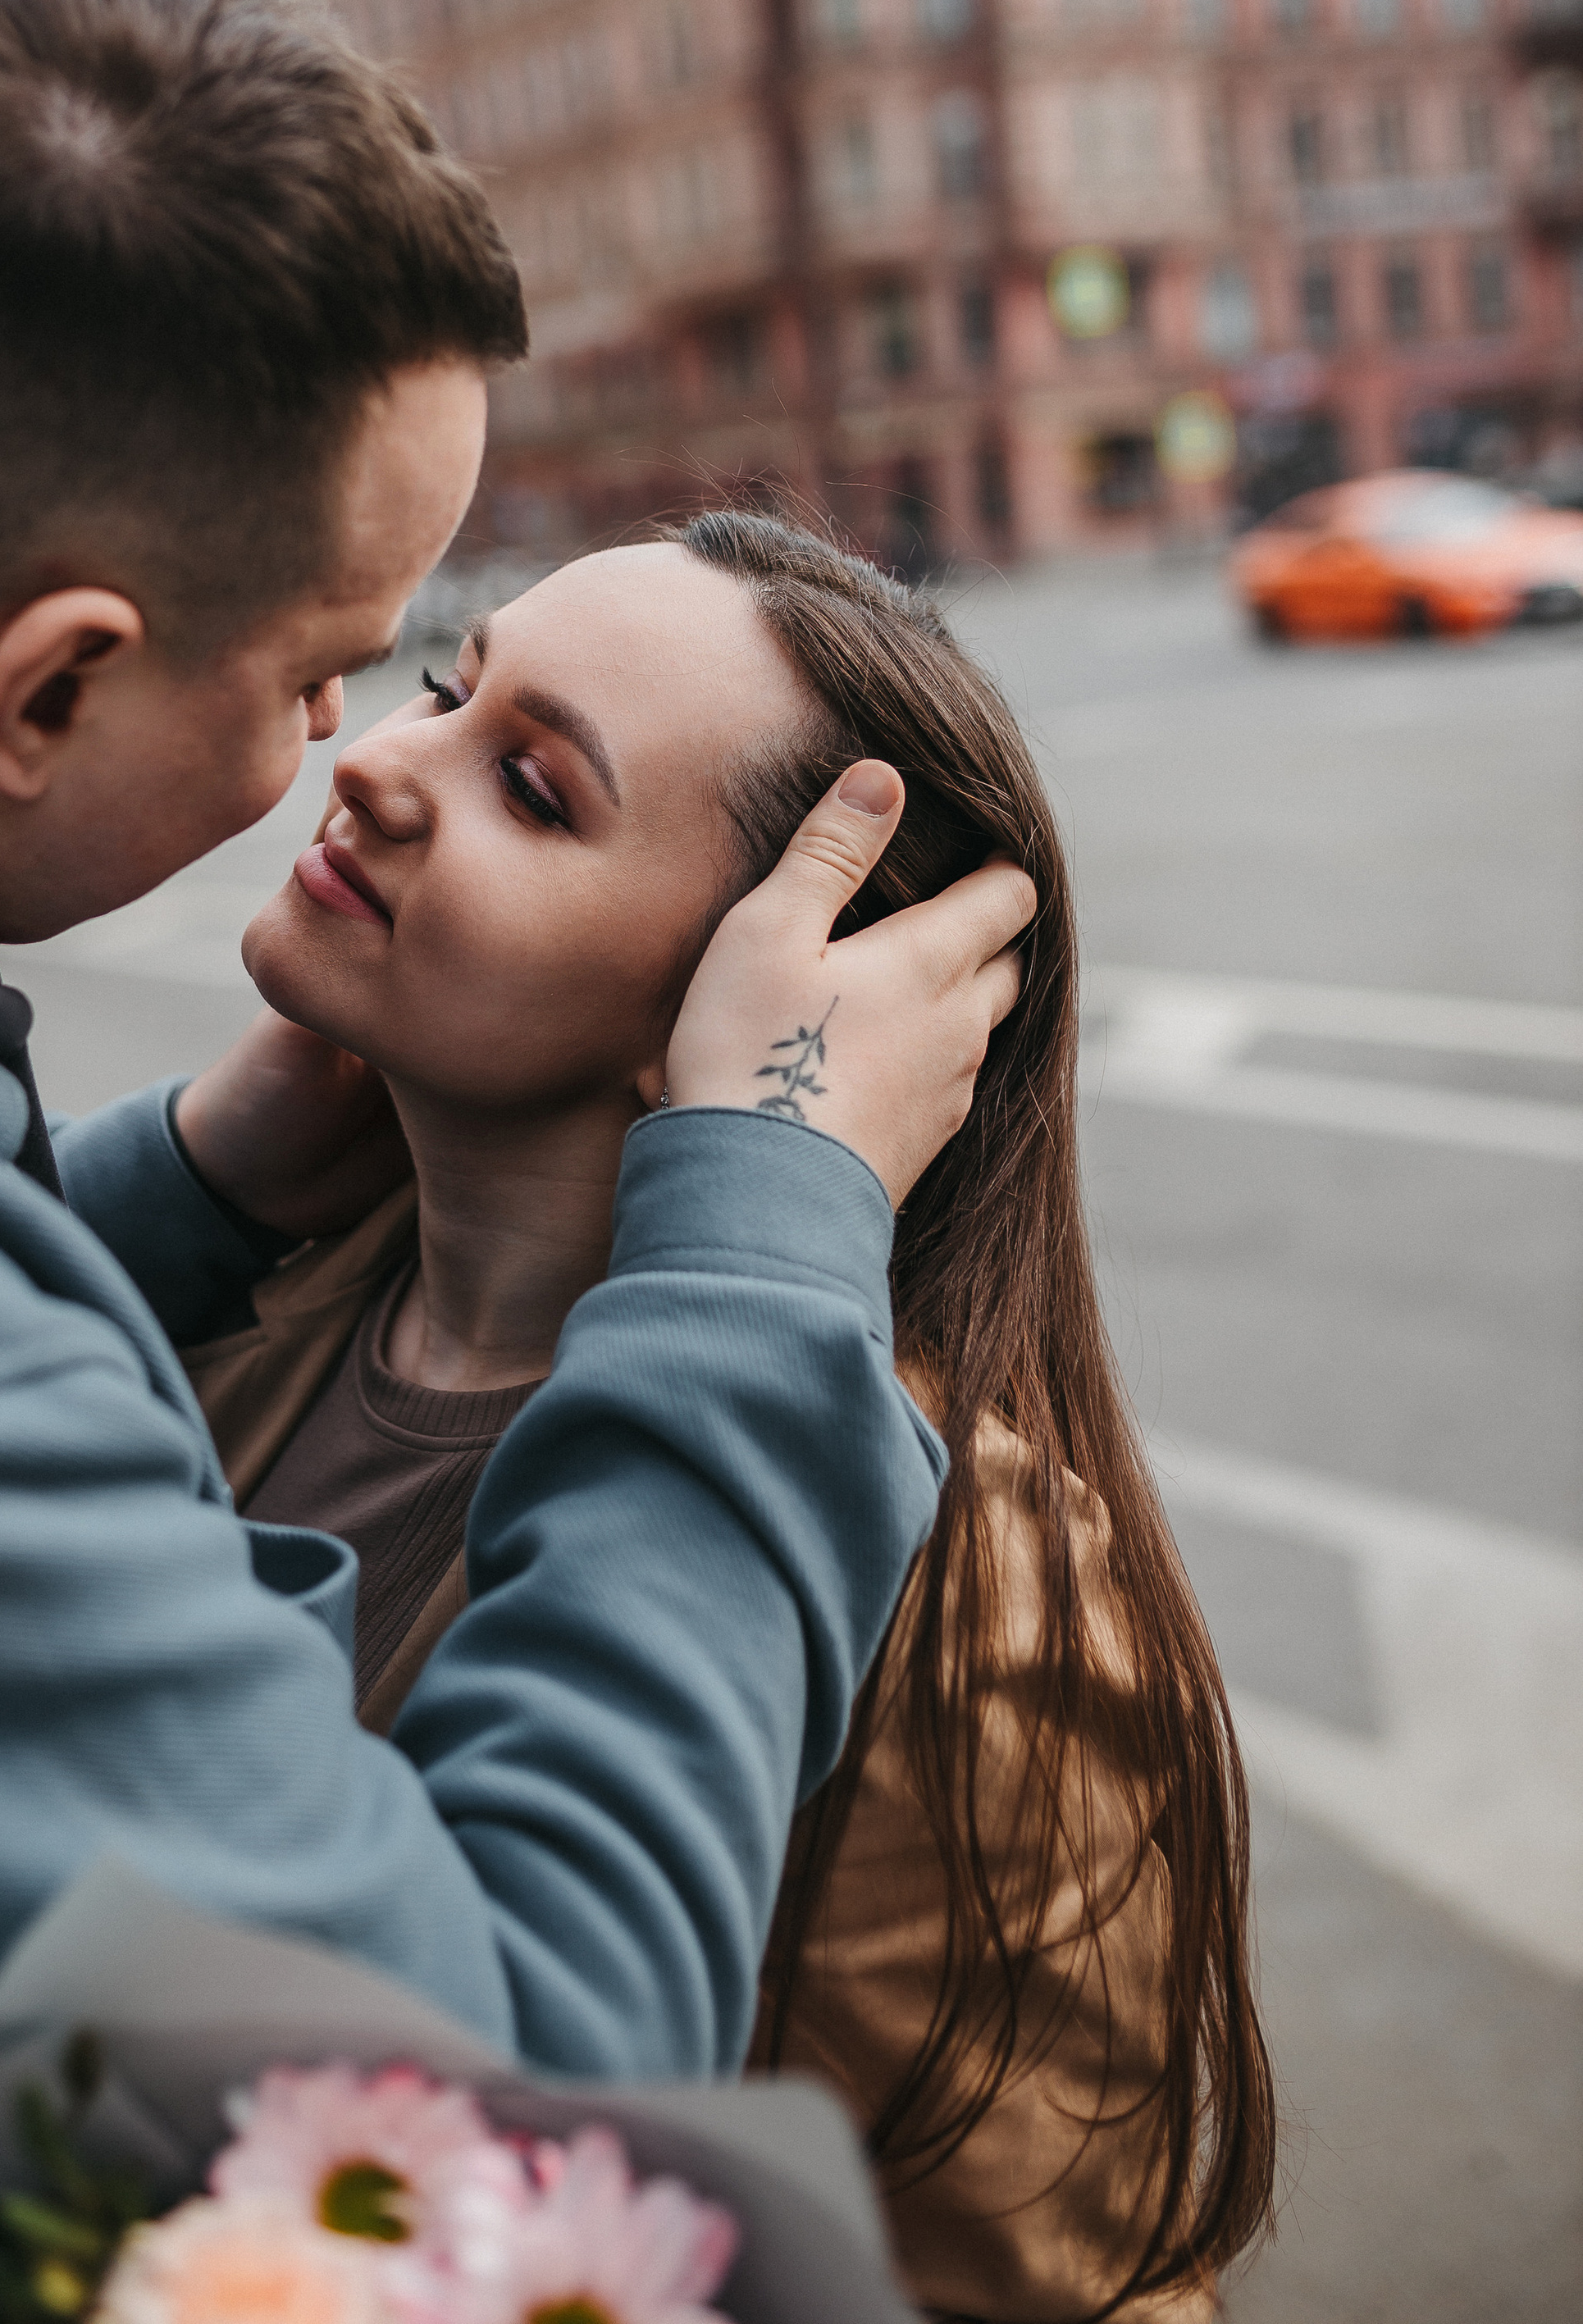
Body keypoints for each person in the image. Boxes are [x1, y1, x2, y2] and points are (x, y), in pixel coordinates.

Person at [0, 0, 1037, 2228]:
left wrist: (178, 1192)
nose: (343, 753)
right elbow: (455, 2187)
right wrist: (761, 1252)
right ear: (45, 690)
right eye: (336, 666)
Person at [179, 513, 1277, 2322]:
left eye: (530, 788)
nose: (370, 758)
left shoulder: (952, 1563)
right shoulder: (235, 1301)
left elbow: (1021, 2281)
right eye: (447, 692)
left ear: (747, 1006)